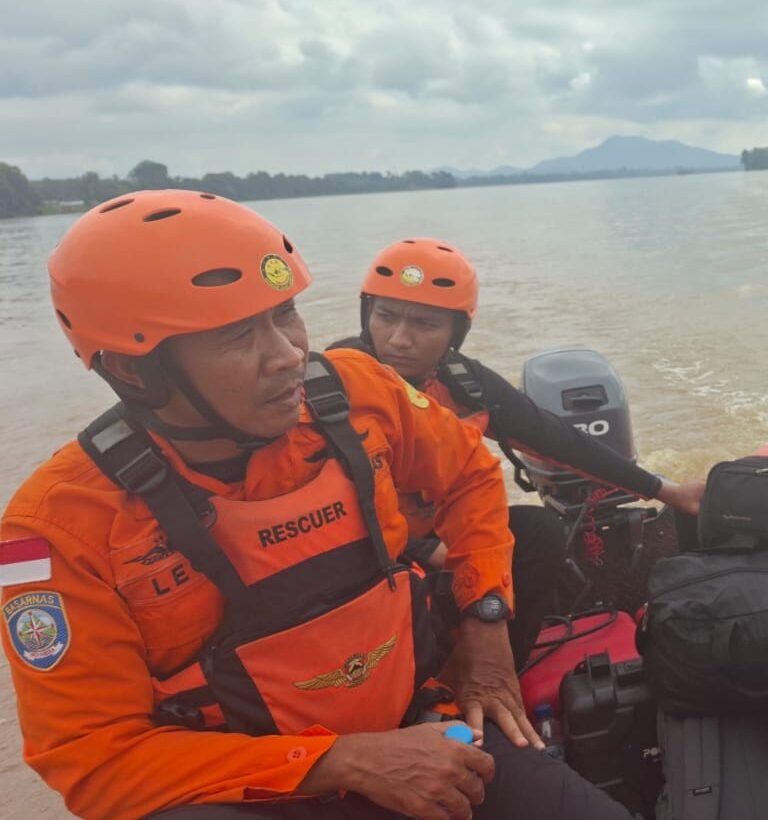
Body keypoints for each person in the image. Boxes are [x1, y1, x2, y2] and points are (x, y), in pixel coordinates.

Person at [0, 191, 632, 820]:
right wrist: (343, 762)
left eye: (286, 314)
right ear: (133, 370)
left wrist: (486, 621)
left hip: (428, 730)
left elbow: (470, 471)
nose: (288, 355)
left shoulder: (358, 390)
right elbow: (96, 761)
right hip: (261, 790)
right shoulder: (59, 529)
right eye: (236, 335)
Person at [328, 238, 703, 660]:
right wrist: (426, 552)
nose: (399, 339)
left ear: (456, 332)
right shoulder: (333, 390)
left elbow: (558, 440)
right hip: (364, 552)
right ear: (367, 314)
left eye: (425, 324)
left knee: (541, 531)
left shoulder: (461, 381)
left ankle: (505, 672)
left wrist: (666, 490)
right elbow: (324, 512)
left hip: (443, 532)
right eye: (386, 316)